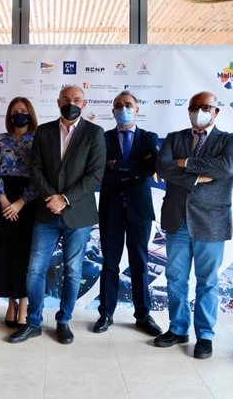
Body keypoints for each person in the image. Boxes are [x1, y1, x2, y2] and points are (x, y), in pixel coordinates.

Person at [8, 85, 105, 345]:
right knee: (35, 270)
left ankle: (64, 321)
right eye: (66, 99)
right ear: (58, 102)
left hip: (78, 214)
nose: (71, 103)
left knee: (73, 271)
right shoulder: (44, 131)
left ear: (84, 104)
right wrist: (52, 197)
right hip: (46, 212)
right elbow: (35, 168)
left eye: (76, 99)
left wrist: (65, 198)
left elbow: (95, 174)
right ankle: (34, 322)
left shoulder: (95, 133)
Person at [154, 91, 233, 359]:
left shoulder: (231, 140)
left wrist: (188, 163)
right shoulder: (174, 138)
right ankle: (178, 328)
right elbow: (164, 168)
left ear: (216, 111)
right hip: (177, 219)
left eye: (205, 107)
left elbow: (227, 168)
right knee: (176, 278)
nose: (199, 111)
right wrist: (196, 178)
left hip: (211, 222)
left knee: (207, 282)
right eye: (194, 107)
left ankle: (205, 334)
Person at [93, 91, 162, 336]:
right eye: (119, 106)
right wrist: (133, 168)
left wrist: (117, 165)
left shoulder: (149, 138)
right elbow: (100, 169)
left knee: (140, 264)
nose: (124, 109)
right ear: (113, 111)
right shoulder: (103, 138)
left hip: (140, 210)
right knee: (110, 263)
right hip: (111, 208)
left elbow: (150, 167)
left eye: (129, 105)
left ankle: (143, 314)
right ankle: (106, 313)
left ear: (137, 109)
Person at [0, 97, 38, 328]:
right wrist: (5, 201)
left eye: (23, 111)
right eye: (15, 111)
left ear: (30, 114)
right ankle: (11, 303)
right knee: (5, 254)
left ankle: (24, 305)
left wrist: (21, 202)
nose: (19, 114)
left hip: (29, 202)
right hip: (2, 200)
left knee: (26, 256)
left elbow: (40, 175)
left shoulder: (39, 141)